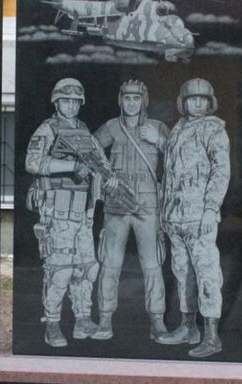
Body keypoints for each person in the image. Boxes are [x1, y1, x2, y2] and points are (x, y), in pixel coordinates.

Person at [24, 78, 117, 348]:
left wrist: (109, 177)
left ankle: (83, 319)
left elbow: (100, 161)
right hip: (57, 209)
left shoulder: (84, 130)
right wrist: (71, 166)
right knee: (60, 270)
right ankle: (52, 324)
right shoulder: (48, 129)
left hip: (83, 211)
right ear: (57, 102)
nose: (71, 106)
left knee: (87, 268)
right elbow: (32, 162)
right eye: (66, 101)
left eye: (76, 101)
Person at [145, 77, 230, 358]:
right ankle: (188, 327)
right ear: (184, 102)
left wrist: (211, 208)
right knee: (183, 274)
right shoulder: (179, 129)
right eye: (193, 99)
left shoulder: (214, 130)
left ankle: (212, 336)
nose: (198, 103)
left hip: (199, 216)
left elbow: (221, 172)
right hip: (176, 217)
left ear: (210, 102)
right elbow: (173, 169)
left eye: (203, 99)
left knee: (207, 274)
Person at [91, 80, 169, 341]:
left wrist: (158, 140)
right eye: (127, 98)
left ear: (143, 100)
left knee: (152, 265)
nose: (132, 103)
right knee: (110, 264)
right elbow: (90, 151)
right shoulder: (111, 128)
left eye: (137, 98)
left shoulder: (157, 127)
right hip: (116, 205)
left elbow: (179, 157)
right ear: (120, 100)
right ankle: (105, 320)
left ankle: (157, 322)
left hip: (148, 206)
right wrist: (106, 177)